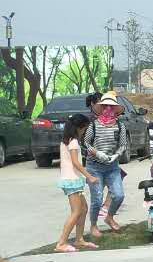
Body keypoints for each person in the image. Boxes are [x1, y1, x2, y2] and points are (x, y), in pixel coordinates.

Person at [83, 92, 128, 238]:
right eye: (105, 106)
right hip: (94, 166)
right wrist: (97, 153)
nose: (108, 109)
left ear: (115, 109)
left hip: (112, 166)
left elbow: (123, 145)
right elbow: (86, 143)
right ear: (101, 108)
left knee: (119, 195)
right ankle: (93, 225)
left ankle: (109, 217)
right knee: (97, 198)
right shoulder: (93, 125)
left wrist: (117, 155)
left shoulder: (120, 126)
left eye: (111, 106)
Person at [55, 114, 98, 253]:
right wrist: (89, 176)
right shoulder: (73, 142)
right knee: (76, 211)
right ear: (79, 128)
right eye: (84, 128)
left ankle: (79, 239)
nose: (84, 131)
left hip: (72, 179)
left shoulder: (66, 141)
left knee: (83, 209)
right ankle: (61, 243)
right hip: (72, 181)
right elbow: (75, 162)